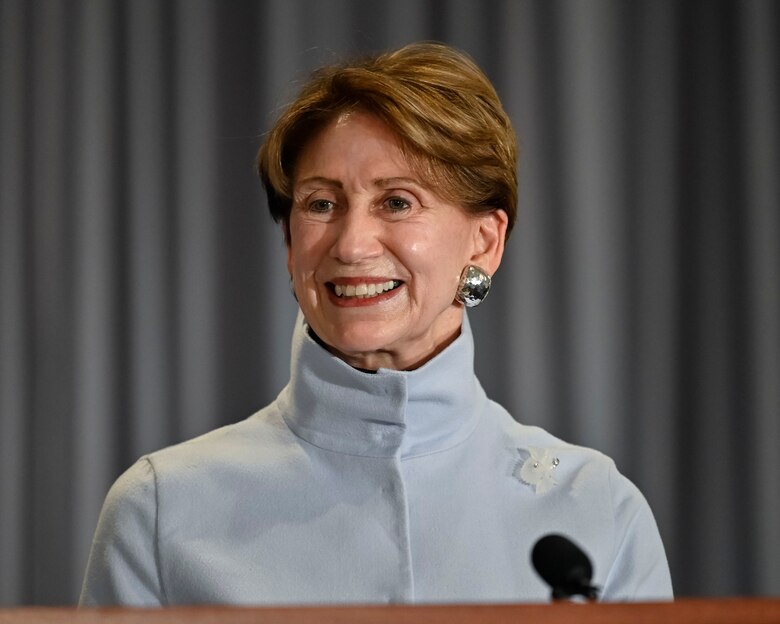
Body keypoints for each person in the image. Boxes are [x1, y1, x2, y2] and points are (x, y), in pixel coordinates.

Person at [80, 42, 672, 606]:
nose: (353, 244)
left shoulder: (596, 509)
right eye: (320, 204)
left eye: (397, 202)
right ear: (290, 243)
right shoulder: (161, 509)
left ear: (485, 242)